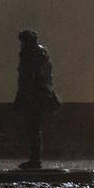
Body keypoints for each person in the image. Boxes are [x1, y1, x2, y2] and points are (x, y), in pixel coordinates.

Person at [13, 30, 59, 169]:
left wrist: (22, 95)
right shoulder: (43, 54)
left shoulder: (30, 55)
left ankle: (35, 159)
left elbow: (28, 77)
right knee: (35, 127)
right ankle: (35, 158)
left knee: (33, 127)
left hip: (32, 95)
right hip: (40, 94)